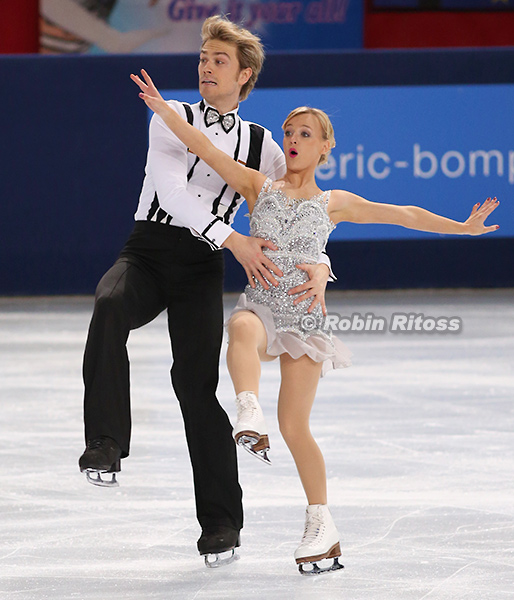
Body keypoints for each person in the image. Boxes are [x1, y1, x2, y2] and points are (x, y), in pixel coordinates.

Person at [131, 68, 500, 573]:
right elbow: (208, 150)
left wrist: (460, 227)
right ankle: (246, 411)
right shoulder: (260, 186)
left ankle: (321, 524)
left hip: (303, 318)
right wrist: (164, 111)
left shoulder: (335, 203)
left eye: (305, 134)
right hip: (263, 303)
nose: (293, 140)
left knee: (296, 426)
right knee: (240, 328)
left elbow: (403, 214)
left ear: (325, 148)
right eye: (289, 133)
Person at [78, 15, 334, 566]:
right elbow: (170, 191)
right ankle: (105, 441)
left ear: (244, 75)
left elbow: (294, 204)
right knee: (109, 304)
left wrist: (319, 259)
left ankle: (221, 524)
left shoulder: (263, 144)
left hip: (200, 268)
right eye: (202, 60)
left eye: (219, 61)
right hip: (147, 251)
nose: (206, 68)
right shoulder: (170, 117)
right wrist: (232, 238)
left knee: (196, 387)